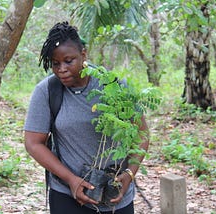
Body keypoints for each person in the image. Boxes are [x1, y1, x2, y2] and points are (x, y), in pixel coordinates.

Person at [24, 21, 149, 214]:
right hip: (67, 195)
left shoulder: (114, 86)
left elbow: (141, 134)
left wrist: (129, 174)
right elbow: (34, 143)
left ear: (84, 54)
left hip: (115, 196)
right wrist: (71, 180)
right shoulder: (47, 91)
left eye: (68, 61)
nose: (61, 69)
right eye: (55, 64)